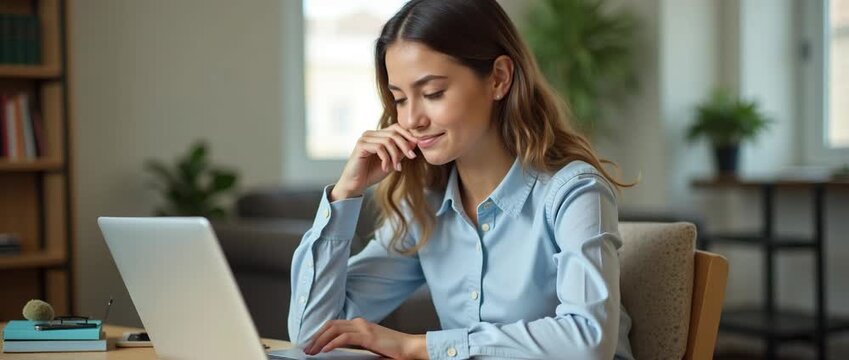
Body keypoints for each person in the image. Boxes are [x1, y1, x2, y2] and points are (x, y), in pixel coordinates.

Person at [288, 0, 635, 358]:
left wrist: (415, 346)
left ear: (499, 78)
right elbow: (312, 334)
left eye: (433, 93)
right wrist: (346, 192)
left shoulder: (574, 192)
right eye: (400, 99)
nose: (411, 120)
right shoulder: (423, 206)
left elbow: (588, 341)